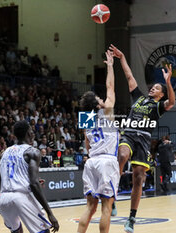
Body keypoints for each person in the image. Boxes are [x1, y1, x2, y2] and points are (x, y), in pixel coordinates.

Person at [110, 44, 175, 233]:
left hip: (144, 140)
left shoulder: (158, 107)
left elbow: (172, 102)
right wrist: (121, 57)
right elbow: (129, 76)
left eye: (156, 88)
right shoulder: (138, 98)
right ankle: (111, 198)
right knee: (121, 156)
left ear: (160, 94)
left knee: (139, 177)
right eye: (152, 87)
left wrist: (168, 82)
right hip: (129, 134)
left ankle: (131, 218)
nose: (152, 89)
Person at [77, 50, 119, 233]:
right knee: (106, 208)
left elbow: (87, 145)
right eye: (98, 98)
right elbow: (111, 87)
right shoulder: (107, 111)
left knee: (89, 207)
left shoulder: (85, 120)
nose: (102, 98)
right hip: (106, 162)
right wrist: (110, 65)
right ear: (97, 104)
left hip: (91, 162)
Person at [0, 120, 59, 233]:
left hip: (3, 199)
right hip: (21, 197)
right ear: (28, 134)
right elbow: (34, 183)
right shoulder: (32, 152)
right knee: (43, 231)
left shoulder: (4, 153)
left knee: (17, 230)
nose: (33, 133)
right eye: (31, 131)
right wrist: (50, 213)